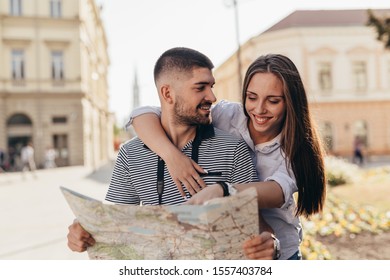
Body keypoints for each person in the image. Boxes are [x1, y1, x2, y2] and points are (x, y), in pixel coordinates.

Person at [67, 47, 276, 259]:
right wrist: (84, 232)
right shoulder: (130, 153)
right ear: (168, 93)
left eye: (211, 86)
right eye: (200, 87)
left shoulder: (233, 148)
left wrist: (270, 242)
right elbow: (116, 224)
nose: (212, 97)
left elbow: (257, 224)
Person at [129, 53, 327, 260]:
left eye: (273, 101)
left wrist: (224, 190)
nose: (259, 109)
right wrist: (172, 157)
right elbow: (142, 115)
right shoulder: (226, 115)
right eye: (252, 97)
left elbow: (277, 192)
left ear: (290, 102)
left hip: (277, 251)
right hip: (233, 250)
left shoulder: (299, 145)